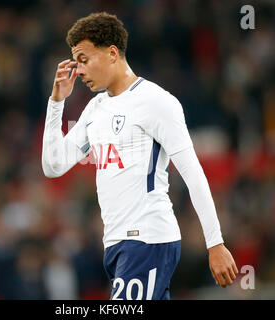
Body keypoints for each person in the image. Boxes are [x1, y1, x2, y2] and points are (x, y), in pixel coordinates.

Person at [41, 12, 238, 300]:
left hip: (147, 239)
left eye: (84, 60)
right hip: (115, 244)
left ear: (111, 53)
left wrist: (215, 243)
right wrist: (56, 102)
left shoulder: (157, 102)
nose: (79, 71)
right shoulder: (95, 110)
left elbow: (192, 172)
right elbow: (53, 165)